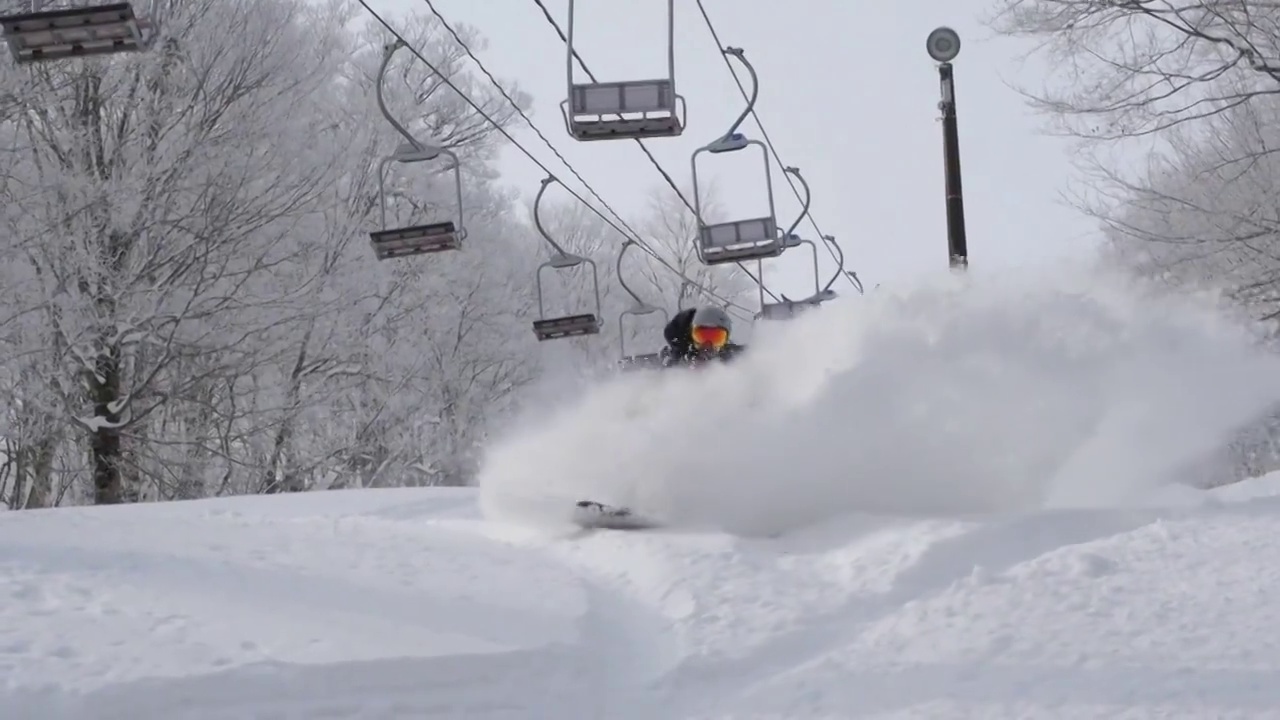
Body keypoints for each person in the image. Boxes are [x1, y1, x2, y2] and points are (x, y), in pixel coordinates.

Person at [660, 305, 745, 367]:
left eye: (717, 338)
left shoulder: (731, 360)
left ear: (725, 341)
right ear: (692, 336)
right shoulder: (677, 361)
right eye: (701, 336)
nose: (708, 345)